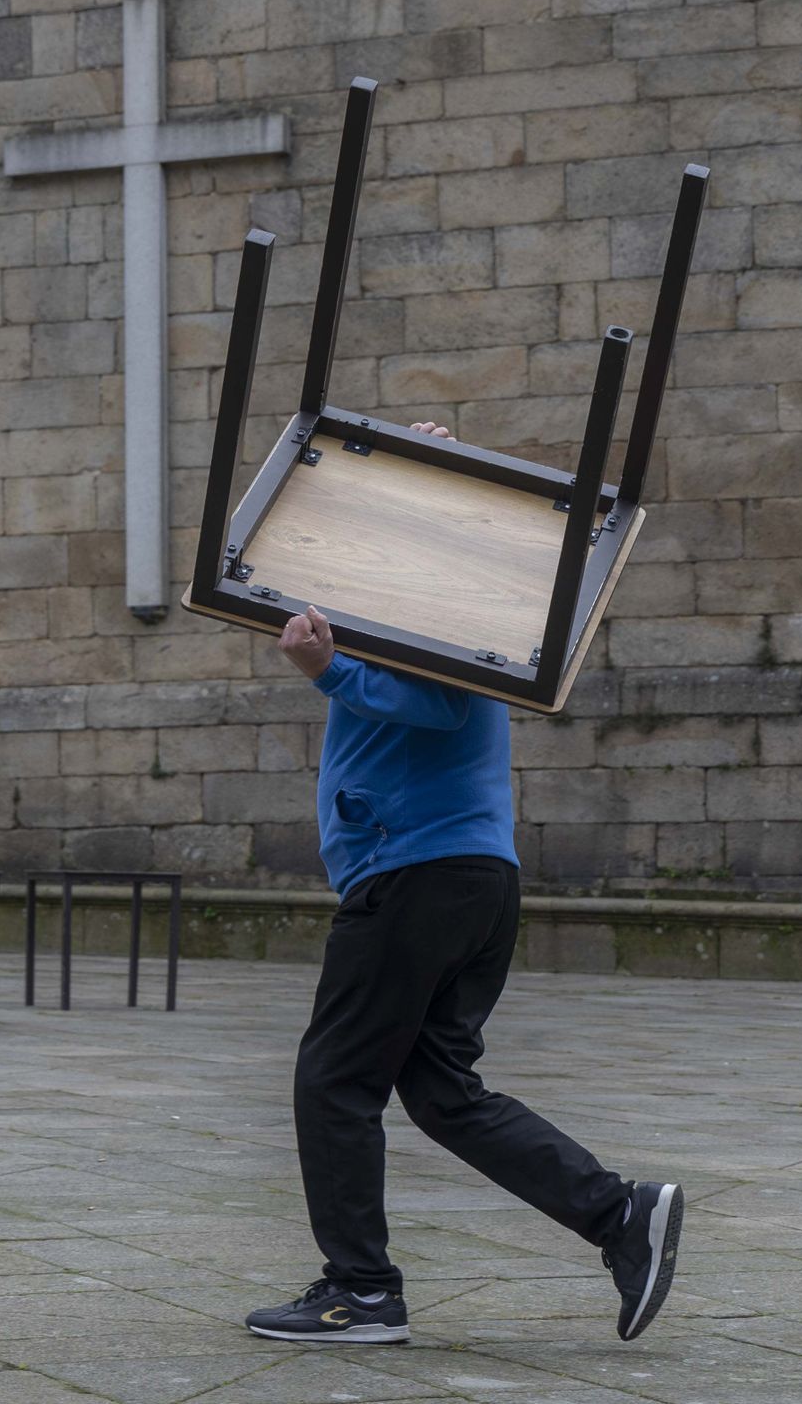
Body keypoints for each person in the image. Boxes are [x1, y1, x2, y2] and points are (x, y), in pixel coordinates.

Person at [242, 420, 683, 1348]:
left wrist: (328, 671)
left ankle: (360, 1291)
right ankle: (619, 1214)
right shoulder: (426, 596)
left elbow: (441, 698)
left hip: (419, 875)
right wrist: (411, 475)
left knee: (334, 1079)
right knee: (442, 1092)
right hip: (463, 876)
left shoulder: (452, 606)